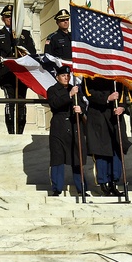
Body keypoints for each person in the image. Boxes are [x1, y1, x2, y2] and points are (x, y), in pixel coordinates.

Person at [0, 3, 36, 134]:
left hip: (22, 73)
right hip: (7, 74)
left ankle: (20, 131)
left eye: (12, 17)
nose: (9, 19)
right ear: (3, 18)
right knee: (10, 103)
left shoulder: (24, 34)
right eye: (7, 17)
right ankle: (11, 132)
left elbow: (32, 52)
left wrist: (19, 45)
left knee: (21, 103)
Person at [83, 75, 128, 197]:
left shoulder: (117, 76)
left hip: (115, 117)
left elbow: (124, 94)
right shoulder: (90, 76)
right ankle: (103, 183)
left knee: (116, 150)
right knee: (101, 152)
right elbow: (89, 93)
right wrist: (107, 98)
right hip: (99, 117)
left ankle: (114, 183)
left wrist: (122, 107)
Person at [46, 67, 86, 196]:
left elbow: (83, 104)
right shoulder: (52, 90)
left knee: (77, 158)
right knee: (58, 158)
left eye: (68, 75)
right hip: (59, 127)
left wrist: (81, 109)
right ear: (57, 77)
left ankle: (81, 187)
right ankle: (57, 188)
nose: (66, 78)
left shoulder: (74, 89)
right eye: (63, 75)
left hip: (74, 126)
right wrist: (69, 95)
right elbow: (55, 103)